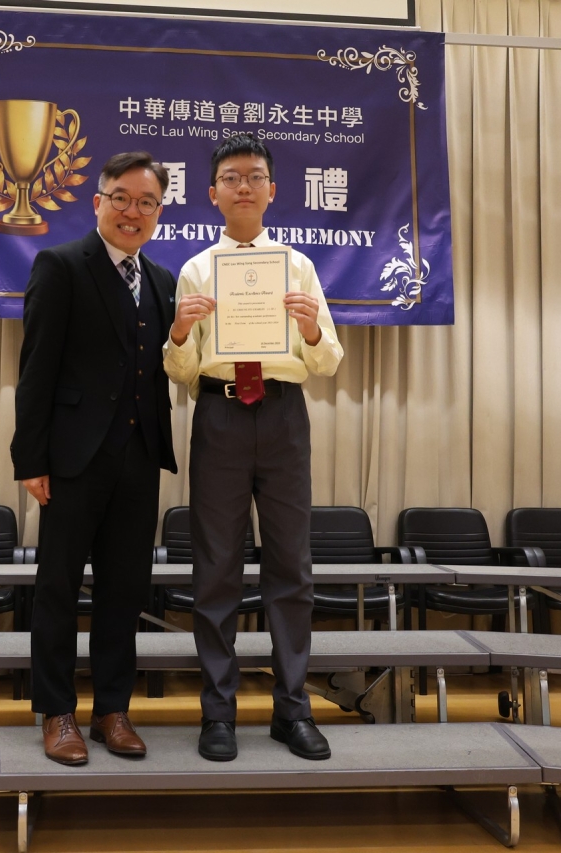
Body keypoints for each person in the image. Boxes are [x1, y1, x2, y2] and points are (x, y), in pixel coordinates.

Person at [164, 134, 343, 762]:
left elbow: (327, 361)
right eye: (232, 177)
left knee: (291, 565)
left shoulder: (298, 267)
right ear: (212, 193)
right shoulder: (194, 269)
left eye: (255, 176)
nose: (244, 186)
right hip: (219, 415)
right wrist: (180, 332)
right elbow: (182, 371)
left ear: (273, 190)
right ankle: (218, 714)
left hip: (284, 415)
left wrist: (311, 328)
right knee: (215, 567)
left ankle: (293, 710)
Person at [11, 152, 177, 765]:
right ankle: (57, 713)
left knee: (124, 590)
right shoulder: (60, 265)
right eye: (122, 198)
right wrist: (30, 459)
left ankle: (112, 710)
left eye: (147, 202)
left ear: (158, 212)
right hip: (71, 459)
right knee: (57, 588)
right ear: (98, 202)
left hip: (138, 458)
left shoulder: (162, 280)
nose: (133, 211)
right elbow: (36, 369)